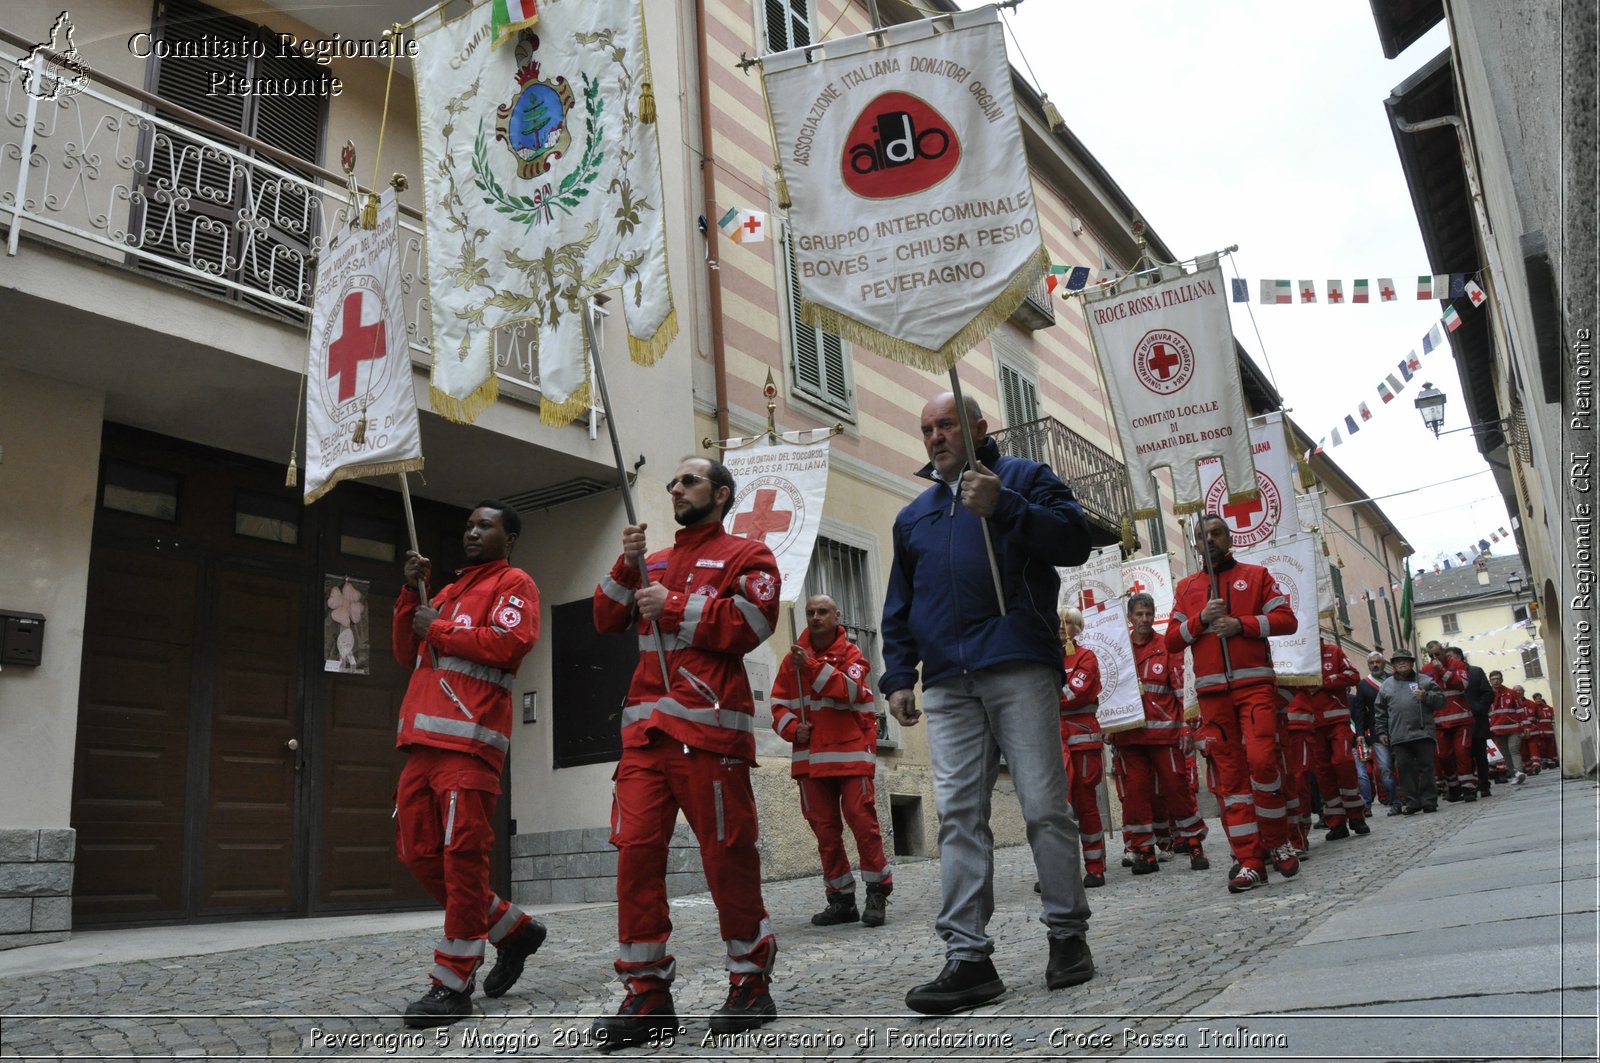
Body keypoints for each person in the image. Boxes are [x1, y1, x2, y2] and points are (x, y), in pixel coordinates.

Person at [881, 392, 1096, 1015]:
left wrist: (1006, 506)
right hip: (948, 680)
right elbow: (901, 603)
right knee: (957, 816)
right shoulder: (913, 516)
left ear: (978, 429)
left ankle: (1067, 936)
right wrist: (899, 674)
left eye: (946, 424)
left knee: (1043, 808)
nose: (935, 436)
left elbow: (1074, 541)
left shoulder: (1026, 477)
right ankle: (969, 956)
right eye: (926, 428)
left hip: (1017, 663)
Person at [591, 456, 782, 1045]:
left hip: (709, 735)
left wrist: (671, 606)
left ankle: (750, 981)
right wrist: (626, 568)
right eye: (672, 482)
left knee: (728, 858)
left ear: (721, 494)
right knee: (635, 861)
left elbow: (754, 622)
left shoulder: (748, 556)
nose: (676, 488)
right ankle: (646, 994)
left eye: (689, 480)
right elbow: (604, 618)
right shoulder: (649, 562)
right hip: (646, 738)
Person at [391, 501, 547, 1028]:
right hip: (422, 742)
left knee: (463, 861)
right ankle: (512, 928)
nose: (472, 532)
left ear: (511, 537)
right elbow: (403, 649)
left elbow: (508, 644)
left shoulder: (516, 583)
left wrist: (436, 627)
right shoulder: (448, 590)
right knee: (417, 853)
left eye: (486, 525)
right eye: (469, 525)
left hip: (470, 744)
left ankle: (453, 983)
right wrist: (410, 594)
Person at [1166, 513, 1299, 894]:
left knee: (1263, 762)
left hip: (1254, 687)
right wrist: (1200, 620)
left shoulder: (1256, 575)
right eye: (1202, 535)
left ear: (1228, 537)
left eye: (1216, 533)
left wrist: (1243, 624)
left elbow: (1287, 620)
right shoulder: (1187, 587)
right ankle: (1249, 860)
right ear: (1194, 544)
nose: (1209, 540)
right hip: (1212, 698)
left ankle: (1277, 840)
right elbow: (1172, 640)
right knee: (1232, 781)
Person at [771, 594, 892, 927]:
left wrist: (809, 666)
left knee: (862, 823)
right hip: (810, 760)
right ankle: (840, 900)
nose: (815, 617)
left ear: (837, 616)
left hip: (850, 755)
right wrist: (794, 729)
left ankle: (877, 891)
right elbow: (778, 707)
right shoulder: (791, 662)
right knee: (825, 832)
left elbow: (852, 691)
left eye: (822, 611)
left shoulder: (851, 654)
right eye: (810, 612)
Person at [1111, 592, 1209, 874]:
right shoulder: (1119, 649)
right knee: (1135, 795)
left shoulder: (1166, 647)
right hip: (1129, 738)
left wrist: (1187, 729)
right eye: (1139, 614)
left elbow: (1181, 691)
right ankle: (1144, 852)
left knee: (1177, 789)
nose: (1144, 619)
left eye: (1148, 614)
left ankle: (1194, 845)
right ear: (1129, 618)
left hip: (1165, 737)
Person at [1057, 606, 1108, 887]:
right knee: (1056, 807)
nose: (1063, 628)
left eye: (1068, 623)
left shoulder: (1086, 657)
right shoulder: (1047, 657)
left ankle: (1095, 866)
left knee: (1086, 804)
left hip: (1081, 740)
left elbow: (1074, 693)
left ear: (1078, 629)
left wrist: (1045, 694)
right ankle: (1060, 871)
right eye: (1059, 623)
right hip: (1055, 740)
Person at [1305, 640, 1368, 839]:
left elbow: (1353, 676)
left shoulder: (1333, 651)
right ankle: (1336, 823)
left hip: (1337, 721)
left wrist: (1324, 682)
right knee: (1323, 774)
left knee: (1344, 763)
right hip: (1311, 725)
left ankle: (1356, 816)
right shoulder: (1296, 655)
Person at [1373, 650, 1445, 814]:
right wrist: (1382, 731)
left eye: (1405, 660)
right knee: (1404, 769)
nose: (1402, 663)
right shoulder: (1386, 685)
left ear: (1412, 663)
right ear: (1393, 665)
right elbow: (1380, 711)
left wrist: (1426, 696)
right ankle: (1412, 802)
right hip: (1399, 734)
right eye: (1398, 661)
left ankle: (1428, 801)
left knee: (1426, 768)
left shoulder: (1425, 681)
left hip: (1423, 731)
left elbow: (1441, 701)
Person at [1351, 651, 1403, 815]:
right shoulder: (1363, 685)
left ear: (1383, 663)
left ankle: (1410, 798)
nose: (1375, 665)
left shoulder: (1394, 680)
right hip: (1377, 732)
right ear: (1368, 665)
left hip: (1400, 729)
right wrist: (1360, 732)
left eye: (1378, 662)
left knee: (1403, 767)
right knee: (1385, 770)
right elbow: (1359, 711)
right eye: (1372, 662)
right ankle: (1395, 802)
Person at [1421, 641, 1474, 802]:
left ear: (1443, 652)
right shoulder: (1425, 671)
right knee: (1442, 756)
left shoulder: (1457, 664)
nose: (1434, 658)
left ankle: (1468, 787)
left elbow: (1462, 684)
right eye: (1431, 656)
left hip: (1460, 719)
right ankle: (1453, 784)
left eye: (1437, 654)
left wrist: (1442, 670)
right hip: (1438, 721)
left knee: (1462, 752)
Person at [1453, 647, 1496, 797]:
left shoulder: (1476, 672)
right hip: (1459, 722)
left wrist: (1479, 707)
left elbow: (1488, 693)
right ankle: (1469, 785)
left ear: (1459, 657)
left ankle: (1484, 785)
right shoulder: (1448, 675)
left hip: (1477, 721)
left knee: (1480, 755)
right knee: (1464, 755)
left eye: (1451, 657)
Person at [1487, 671, 1528, 784]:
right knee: (1505, 753)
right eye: (1493, 679)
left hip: (1513, 727)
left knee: (1513, 749)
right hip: (1497, 729)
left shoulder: (1511, 693)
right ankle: (1514, 774)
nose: (1496, 681)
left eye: (1498, 678)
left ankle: (1519, 772)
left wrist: (1525, 726)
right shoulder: (1488, 694)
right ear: (1490, 681)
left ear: (1502, 679)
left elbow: (1520, 710)